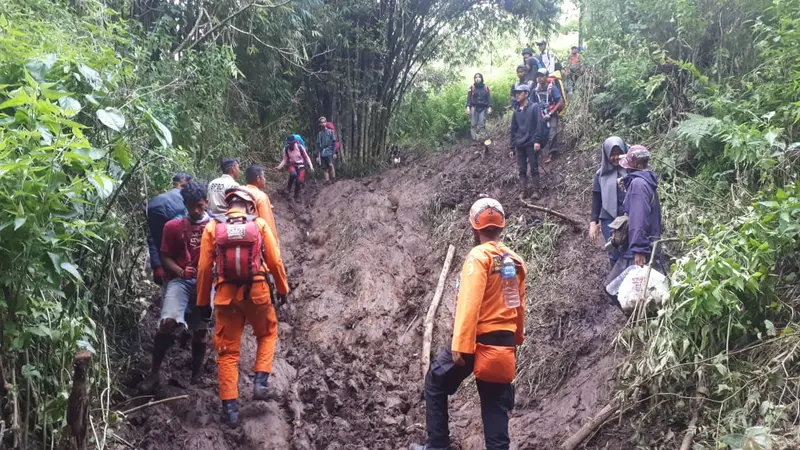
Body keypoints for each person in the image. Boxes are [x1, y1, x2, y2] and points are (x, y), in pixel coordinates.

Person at [411, 198, 526, 450]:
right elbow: (519, 305)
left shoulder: (478, 257)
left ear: (475, 227)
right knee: (495, 406)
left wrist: (460, 344)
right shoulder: (515, 260)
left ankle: (438, 445)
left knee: (435, 380)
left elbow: (469, 303)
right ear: (502, 227)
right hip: (503, 347)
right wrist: (515, 340)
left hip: (477, 343)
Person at [196, 187, 289, 427]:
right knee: (267, 333)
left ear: (228, 207)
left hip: (226, 296)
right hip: (257, 292)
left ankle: (230, 410)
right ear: (249, 206)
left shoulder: (213, 228)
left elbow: (205, 268)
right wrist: (282, 288)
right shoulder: (258, 224)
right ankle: (260, 382)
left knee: (227, 353)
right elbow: (275, 260)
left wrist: (202, 303)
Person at [138, 181, 211, 393]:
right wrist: (180, 271)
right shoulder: (172, 226)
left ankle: (196, 377)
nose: (196, 210)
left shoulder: (215, 226)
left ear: (206, 202)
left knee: (200, 330)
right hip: (180, 280)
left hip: (206, 282)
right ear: (184, 203)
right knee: (167, 322)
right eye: (190, 205)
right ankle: (154, 374)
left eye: (199, 205)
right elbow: (165, 256)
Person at [604, 146, 666, 302]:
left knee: (612, 288)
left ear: (637, 165)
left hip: (638, 250)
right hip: (649, 244)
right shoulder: (646, 181)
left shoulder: (638, 185)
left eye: (630, 165)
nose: (627, 169)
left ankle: (634, 320)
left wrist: (639, 249)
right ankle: (639, 321)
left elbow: (638, 218)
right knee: (645, 292)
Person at [146, 172, 192, 292]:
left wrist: (157, 265)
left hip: (172, 261)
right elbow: (155, 236)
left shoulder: (160, 203)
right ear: (176, 185)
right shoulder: (167, 204)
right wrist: (157, 265)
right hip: (175, 259)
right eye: (184, 186)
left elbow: (153, 236)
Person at [590, 137, 628, 264]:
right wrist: (593, 223)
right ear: (606, 155)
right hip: (608, 217)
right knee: (614, 251)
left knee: (629, 250)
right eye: (612, 154)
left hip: (629, 216)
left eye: (619, 153)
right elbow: (596, 199)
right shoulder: (600, 175)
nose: (616, 157)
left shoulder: (632, 171)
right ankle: (615, 280)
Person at [510, 84, 548, 199]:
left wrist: (537, 141)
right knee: (521, 169)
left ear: (526, 94)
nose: (517, 95)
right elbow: (513, 129)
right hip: (520, 144)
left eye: (520, 93)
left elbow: (539, 124)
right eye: (516, 93)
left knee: (534, 167)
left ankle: (536, 191)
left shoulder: (534, 107)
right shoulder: (516, 112)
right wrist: (511, 147)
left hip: (531, 142)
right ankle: (523, 191)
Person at [534, 68, 565, 164]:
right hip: (540, 115)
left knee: (552, 133)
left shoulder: (552, 88)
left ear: (546, 77)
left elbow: (560, 102)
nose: (540, 78)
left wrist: (551, 113)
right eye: (538, 76)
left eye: (542, 76)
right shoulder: (535, 90)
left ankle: (551, 154)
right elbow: (531, 103)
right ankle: (539, 154)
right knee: (540, 134)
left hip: (552, 114)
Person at [244, 165, 278, 241]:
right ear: (258, 179)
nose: (265, 179)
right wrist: (275, 244)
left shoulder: (238, 192)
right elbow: (267, 225)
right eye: (263, 176)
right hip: (255, 239)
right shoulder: (260, 196)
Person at [276, 135, 314, 202]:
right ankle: (288, 188)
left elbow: (306, 157)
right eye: (289, 143)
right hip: (292, 165)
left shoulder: (300, 147)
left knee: (299, 181)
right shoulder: (286, 149)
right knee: (293, 174)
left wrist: (311, 166)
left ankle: (296, 195)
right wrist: (279, 167)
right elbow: (285, 160)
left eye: (292, 143)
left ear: (294, 142)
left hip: (301, 165)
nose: (290, 145)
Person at [465, 73, 492, 141]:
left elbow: (488, 98)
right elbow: (468, 98)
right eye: (476, 77)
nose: (477, 78)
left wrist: (489, 107)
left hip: (483, 108)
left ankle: (483, 139)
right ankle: (474, 139)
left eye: (479, 77)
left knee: (482, 124)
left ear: (481, 78)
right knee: (473, 124)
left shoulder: (485, 87)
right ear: (474, 79)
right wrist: (468, 107)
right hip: (474, 107)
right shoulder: (472, 87)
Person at [316, 117, 338, 183]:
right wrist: (318, 156)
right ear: (320, 124)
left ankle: (333, 178)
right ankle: (327, 181)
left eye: (324, 122)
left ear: (326, 122)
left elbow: (334, 142)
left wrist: (334, 152)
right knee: (324, 168)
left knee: (331, 165)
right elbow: (318, 145)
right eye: (321, 122)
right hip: (323, 152)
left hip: (330, 150)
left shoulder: (330, 132)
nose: (323, 124)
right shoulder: (319, 134)